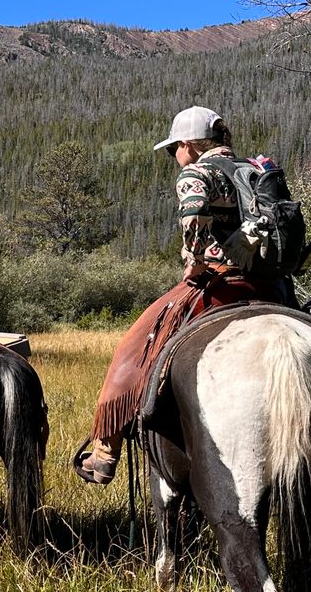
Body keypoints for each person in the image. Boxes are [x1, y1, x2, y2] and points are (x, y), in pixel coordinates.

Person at [76, 106, 291, 484]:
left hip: (221, 282)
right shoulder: (257, 170)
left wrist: (193, 261)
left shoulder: (196, 172)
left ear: (189, 145)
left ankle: (105, 450)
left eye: (173, 148)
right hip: (273, 285)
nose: (173, 157)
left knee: (132, 347)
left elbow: (193, 216)